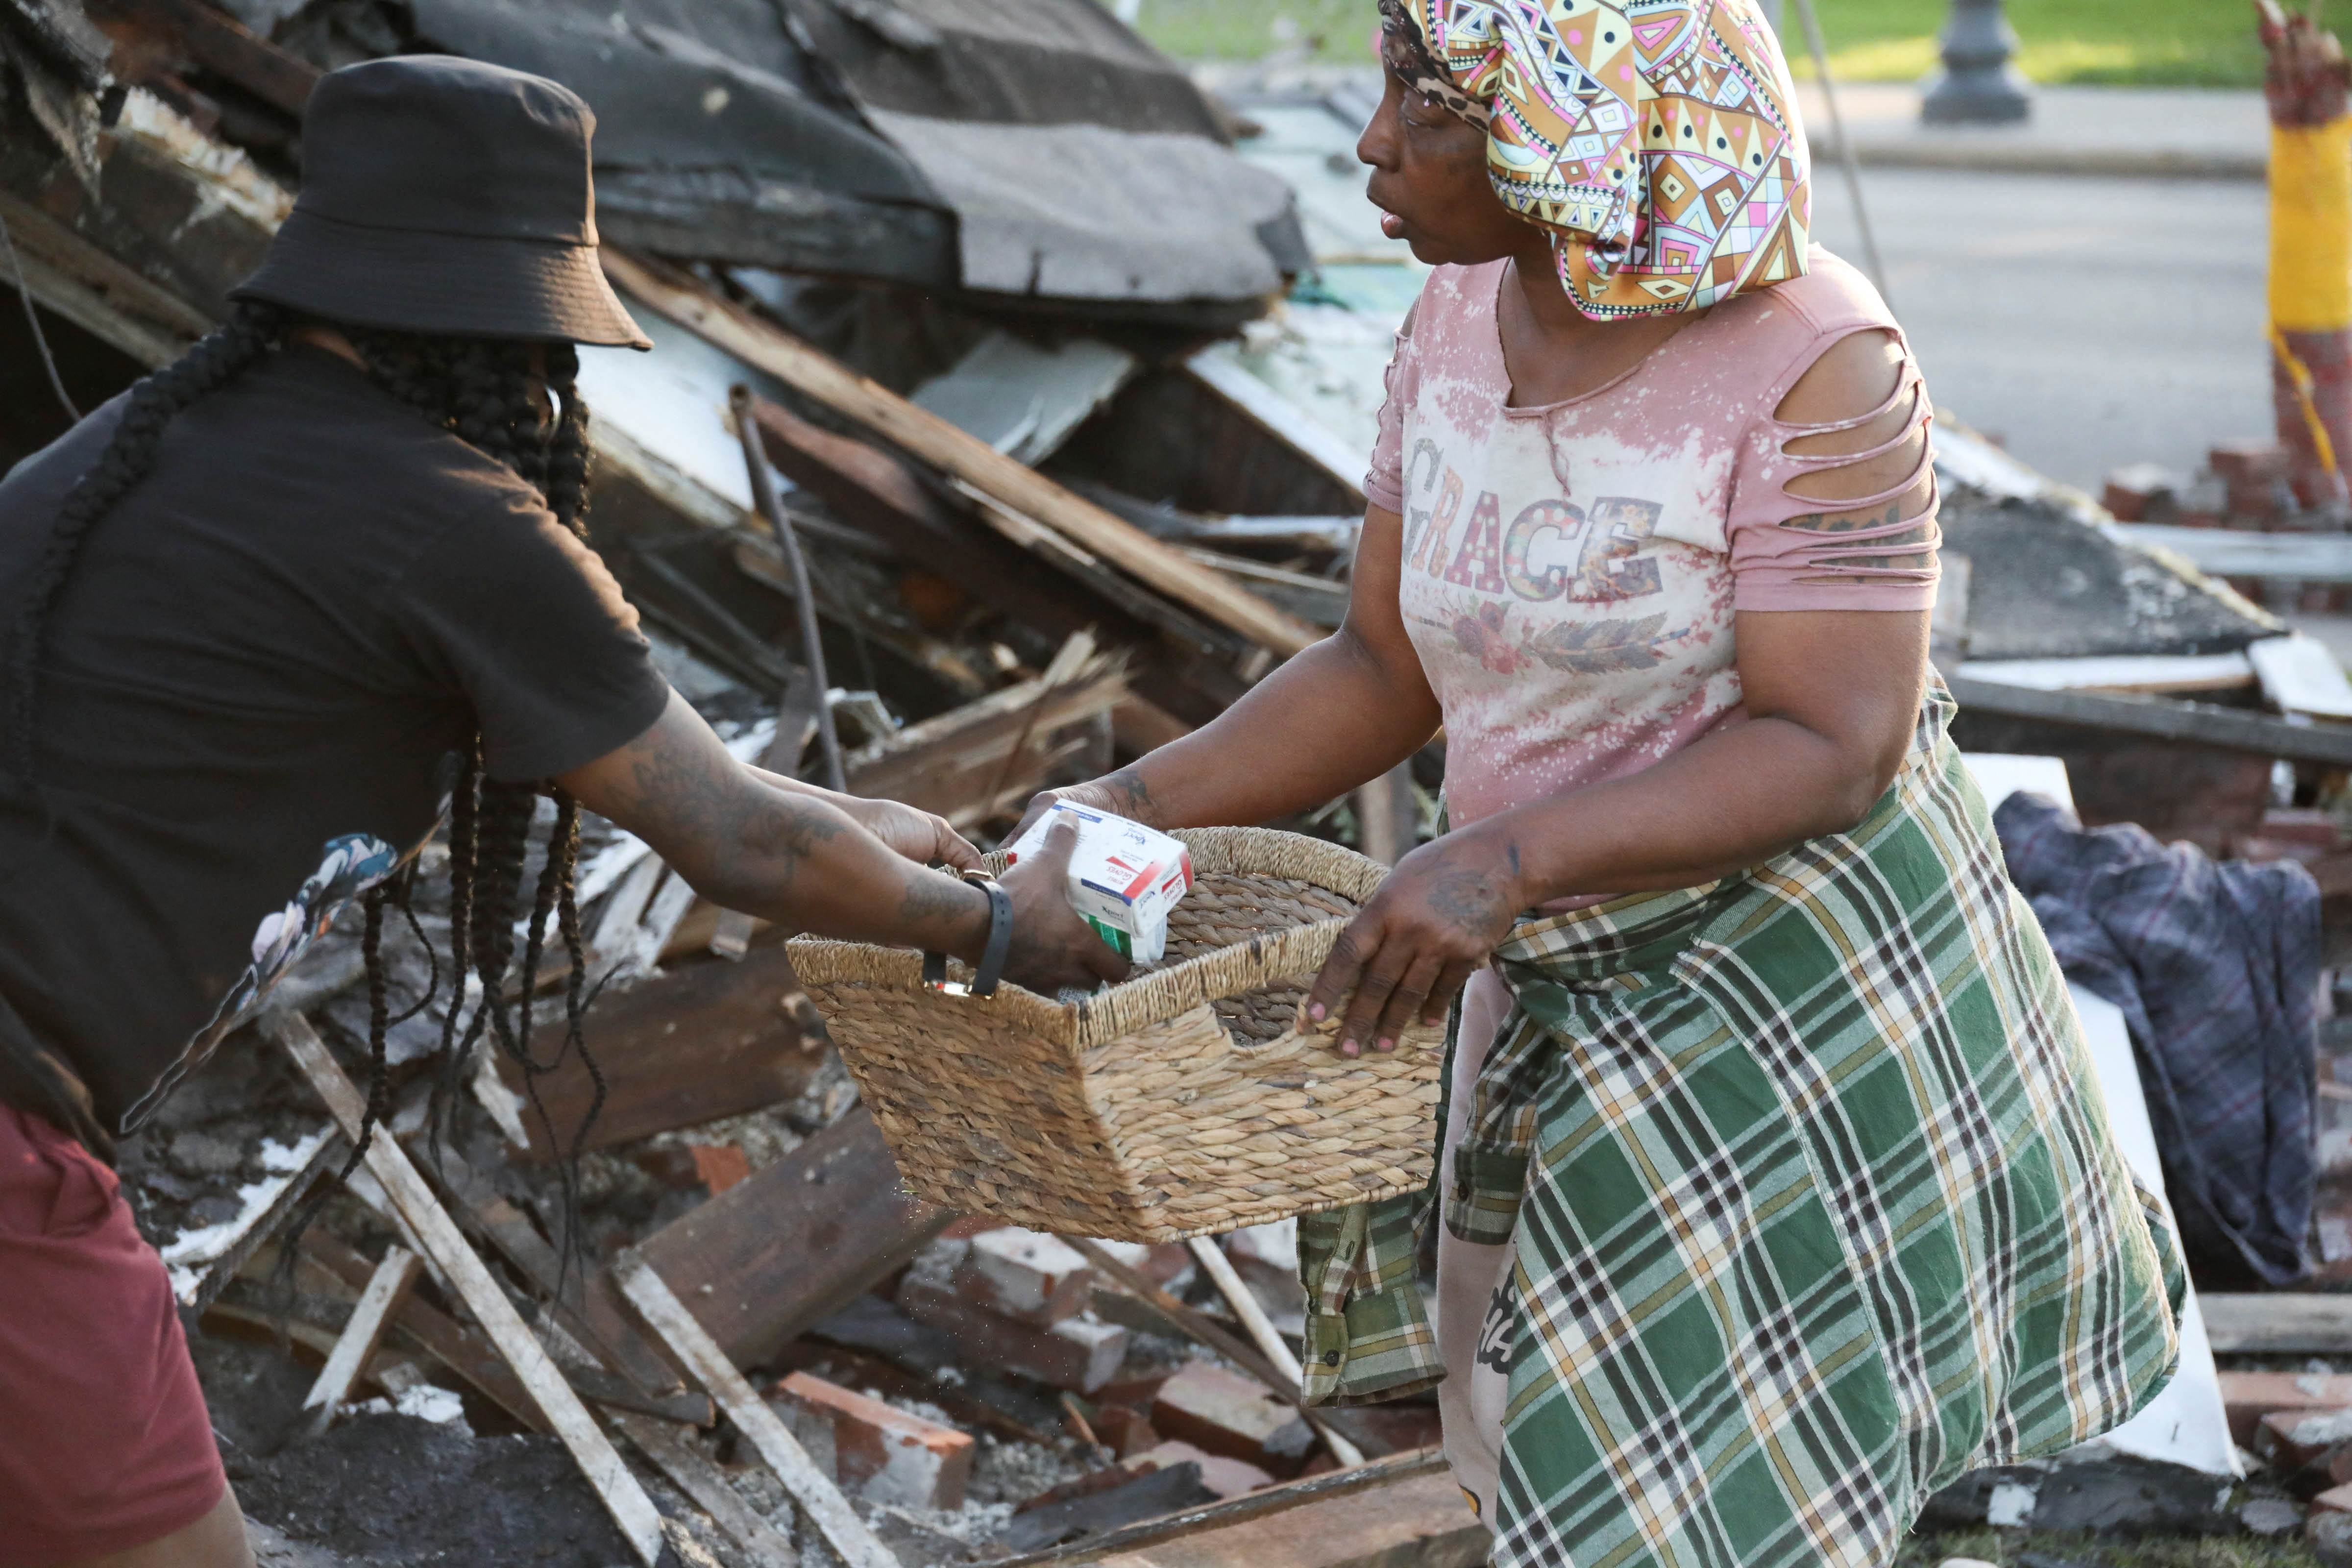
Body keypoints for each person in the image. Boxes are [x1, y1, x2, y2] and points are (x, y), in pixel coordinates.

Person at [1021, 2, 2184, 1563]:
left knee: (1721, 1485)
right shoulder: (1452, 321)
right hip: (1538, 983)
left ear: (1587, 137)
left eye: (1426, 108)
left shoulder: (1817, 362)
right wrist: (1123, 815)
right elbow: (1381, 665)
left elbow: (1837, 742)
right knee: (1534, 1443)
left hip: (1780, 1009)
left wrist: (1501, 864)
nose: (1374, 140)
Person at [0, 57, 1122, 1568]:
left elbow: (704, 787)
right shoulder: (457, 523)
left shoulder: (153, 444)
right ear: (513, 318)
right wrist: (994, 925)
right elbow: (734, 845)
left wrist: (884, 834)